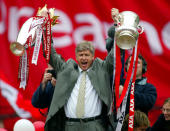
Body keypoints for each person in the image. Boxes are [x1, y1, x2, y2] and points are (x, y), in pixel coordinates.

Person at [44, 40, 115, 131]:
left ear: (93, 56)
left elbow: (114, 55)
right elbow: (50, 55)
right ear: (76, 57)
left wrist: (120, 34)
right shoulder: (65, 70)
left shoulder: (102, 70)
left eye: (87, 55)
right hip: (70, 126)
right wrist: (47, 34)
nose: (83, 58)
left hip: (94, 126)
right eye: (81, 55)